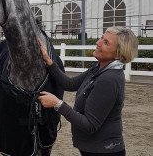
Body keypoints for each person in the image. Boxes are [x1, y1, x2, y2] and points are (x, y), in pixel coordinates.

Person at [38, 26, 138, 156]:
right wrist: (49, 62)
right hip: (95, 149)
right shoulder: (99, 68)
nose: (98, 42)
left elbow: (89, 125)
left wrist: (57, 104)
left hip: (103, 151)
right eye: (102, 37)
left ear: (119, 54)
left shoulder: (109, 79)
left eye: (106, 42)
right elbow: (69, 84)